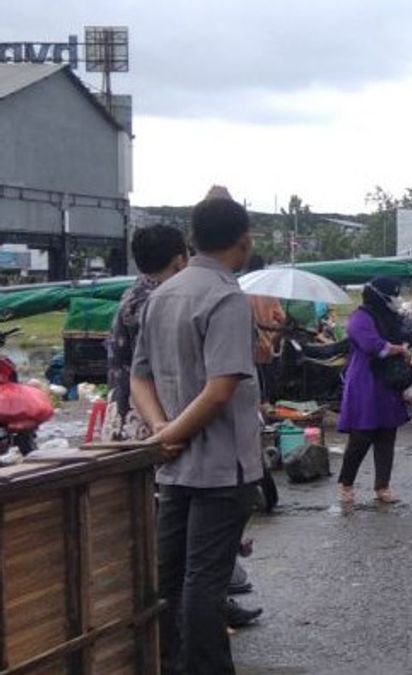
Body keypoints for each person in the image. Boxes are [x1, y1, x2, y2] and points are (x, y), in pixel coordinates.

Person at [131, 193, 262, 674]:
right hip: (221, 467)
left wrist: (161, 430)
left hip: (174, 465)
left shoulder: (161, 293)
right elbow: (221, 388)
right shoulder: (226, 296)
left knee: (169, 577)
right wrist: (170, 434)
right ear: (244, 240)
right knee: (205, 582)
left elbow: (138, 376)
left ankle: (170, 664)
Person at [335, 276, 412, 505]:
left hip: (388, 382)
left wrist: (410, 343)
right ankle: (346, 484)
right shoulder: (360, 317)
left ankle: (382, 486)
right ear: (380, 295)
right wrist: (399, 350)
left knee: (387, 434)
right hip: (366, 381)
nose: (397, 298)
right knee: (361, 435)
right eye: (393, 293)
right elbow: (372, 344)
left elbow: (408, 335)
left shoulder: (392, 317)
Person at [105, 225, 189, 442]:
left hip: (123, 409)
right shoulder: (157, 301)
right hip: (149, 417)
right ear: (180, 261)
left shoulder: (134, 293)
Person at [244, 254, 286, 403]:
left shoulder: (241, 289)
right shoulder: (268, 292)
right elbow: (282, 319)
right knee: (268, 386)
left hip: (246, 348)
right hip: (267, 346)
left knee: (253, 387)